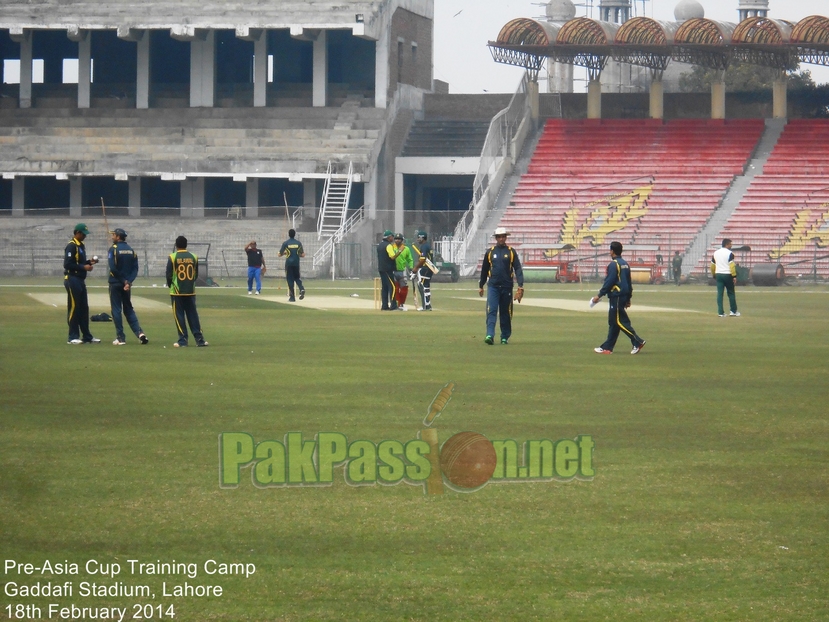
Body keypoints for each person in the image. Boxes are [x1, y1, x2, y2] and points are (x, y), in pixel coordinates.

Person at [591, 241, 646, 355]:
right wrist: (629, 298)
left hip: (616, 296)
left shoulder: (614, 264)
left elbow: (609, 282)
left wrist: (599, 295)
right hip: (623, 295)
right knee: (613, 322)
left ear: (612, 251)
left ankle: (637, 341)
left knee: (619, 321)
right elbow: (629, 282)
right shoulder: (625, 264)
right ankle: (607, 347)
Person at [478, 227, 524, 345]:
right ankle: (490, 335)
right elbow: (484, 269)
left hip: (507, 286)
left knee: (506, 312)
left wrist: (520, 284)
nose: (502, 239)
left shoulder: (511, 252)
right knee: (491, 310)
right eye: (499, 237)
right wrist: (481, 285)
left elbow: (517, 268)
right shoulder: (490, 252)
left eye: (504, 236)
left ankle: (504, 336)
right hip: (493, 286)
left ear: (505, 238)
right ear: (496, 238)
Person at [108, 227, 148, 346]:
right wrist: (128, 282)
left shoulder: (113, 249)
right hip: (126, 286)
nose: (112, 237)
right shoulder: (131, 250)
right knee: (128, 309)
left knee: (116, 310)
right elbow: (135, 269)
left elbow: (113, 268)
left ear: (118, 237)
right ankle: (140, 333)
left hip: (116, 283)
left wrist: (123, 281)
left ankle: (120, 337)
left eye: (114, 235)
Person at [166, 235, 208, 347]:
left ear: (176, 245)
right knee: (193, 315)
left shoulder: (172, 257)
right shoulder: (194, 257)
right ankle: (200, 340)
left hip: (177, 292)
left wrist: (171, 286)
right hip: (190, 291)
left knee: (179, 315)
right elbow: (195, 274)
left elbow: (168, 275)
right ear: (186, 245)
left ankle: (183, 340)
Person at [64, 223, 101, 344]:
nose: (85, 236)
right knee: (74, 307)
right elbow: (68, 264)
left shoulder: (81, 246)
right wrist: (84, 267)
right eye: (83, 234)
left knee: (84, 308)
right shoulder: (72, 246)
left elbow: (79, 262)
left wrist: (89, 262)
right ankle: (72, 336)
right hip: (72, 278)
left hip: (80, 280)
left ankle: (87, 336)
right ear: (77, 233)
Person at [711, 238, 740, 317]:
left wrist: (714, 274)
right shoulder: (730, 253)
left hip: (718, 274)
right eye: (730, 244)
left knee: (720, 293)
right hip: (727, 274)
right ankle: (733, 311)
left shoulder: (715, 253)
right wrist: (734, 276)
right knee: (731, 293)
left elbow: (712, 265)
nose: (731, 246)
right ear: (727, 244)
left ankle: (720, 312)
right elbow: (732, 265)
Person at [279, 229, 305, 302]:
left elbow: (279, 254)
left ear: (288, 234)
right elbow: (303, 254)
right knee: (297, 278)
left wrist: (285, 253)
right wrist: (296, 254)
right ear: (295, 234)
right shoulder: (298, 243)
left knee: (290, 279)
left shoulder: (286, 243)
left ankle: (292, 297)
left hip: (289, 264)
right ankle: (301, 288)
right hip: (296, 263)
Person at [412, 230, 434, 311]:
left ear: (422, 238)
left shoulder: (424, 246)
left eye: (419, 238)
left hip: (425, 268)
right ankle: (428, 305)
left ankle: (425, 306)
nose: (418, 239)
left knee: (423, 286)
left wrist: (415, 269)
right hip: (430, 268)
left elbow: (422, 259)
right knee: (426, 286)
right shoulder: (427, 245)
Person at [376, 230, 398, 311]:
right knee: (392, 286)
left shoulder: (380, 245)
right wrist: (399, 251)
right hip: (388, 269)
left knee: (385, 287)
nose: (393, 238)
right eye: (392, 237)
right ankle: (393, 306)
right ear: (389, 237)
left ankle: (384, 306)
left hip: (381, 268)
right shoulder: (388, 246)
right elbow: (392, 257)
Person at [392, 233, 413, 311]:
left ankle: (401, 303)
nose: (397, 240)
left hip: (402, 270)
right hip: (393, 270)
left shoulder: (406, 248)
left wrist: (411, 267)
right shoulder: (391, 247)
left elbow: (410, 259)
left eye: (399, 239)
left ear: (402, 240)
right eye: (396, 239)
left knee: (404, 288)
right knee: (396, 288)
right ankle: (396, 303)